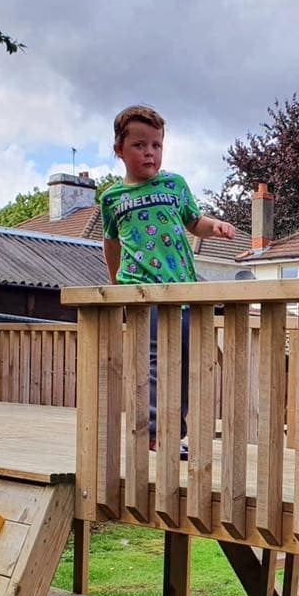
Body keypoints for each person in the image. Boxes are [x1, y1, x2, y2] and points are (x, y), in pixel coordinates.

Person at [99, 105, 236, 445]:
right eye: (140, 145)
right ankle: (155, 433)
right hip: (142, 290)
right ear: (120, 150)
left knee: (187, 361)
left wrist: (214, 226)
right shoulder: (113, 198)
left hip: (182, 289)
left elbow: (194, 222)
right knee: (154, 363)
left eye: (156, 145)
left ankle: (179, 432)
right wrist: (116, 285)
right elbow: (111, 242)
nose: (149, 152)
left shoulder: (174, 185)